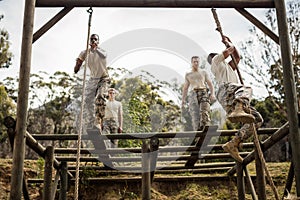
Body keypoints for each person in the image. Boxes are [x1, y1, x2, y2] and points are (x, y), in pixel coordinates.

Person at [207, 36, 263, 162]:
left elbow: (237, 57)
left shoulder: (227, 67)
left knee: (257, 119)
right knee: (246, 88)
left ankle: (234, 143)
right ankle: (239, 108)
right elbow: (230, 51)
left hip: (232, 96)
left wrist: (230, 43)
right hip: (226, 90)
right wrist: (227, 43)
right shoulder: (216, 61)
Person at [74, 33, 110, 130]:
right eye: (92, 39)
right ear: (89, 41)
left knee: (100, 97)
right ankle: (92, 121)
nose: (93, 41)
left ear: (98, 41)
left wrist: (95, 49)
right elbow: (76, 69)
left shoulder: (102, 51)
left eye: (95, 39)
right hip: (93, 79)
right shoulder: (85, 52)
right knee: (87, 100)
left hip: (103, 78)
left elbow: (104, 56)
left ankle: (99, 121)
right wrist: (78, 63)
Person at [182, 56, 216, 131]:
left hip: (203, 92)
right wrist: (183, 100)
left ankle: (205, 129)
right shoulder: (188, 74)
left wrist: (212, 94)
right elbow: (185, 88)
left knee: (204, 112)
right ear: (191, 63)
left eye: (197, 62)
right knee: (195, 115)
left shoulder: (203, 72)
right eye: (194, 62)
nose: (196, 63)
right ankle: (197, 134)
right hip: (192, 94)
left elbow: (210, 84)